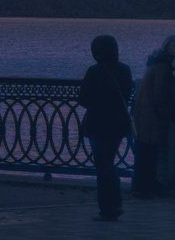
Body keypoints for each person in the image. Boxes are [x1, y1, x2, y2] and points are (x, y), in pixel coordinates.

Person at [77, 35, 134, 222]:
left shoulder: (94, 71)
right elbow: (127, 94)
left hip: (98, 124)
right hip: (117, 124)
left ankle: (108, 207)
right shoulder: (125, 70)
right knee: (108, 161)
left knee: (103, 165)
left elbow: (83, 98)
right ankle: (115, 204)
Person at [131, 35, 175, 198]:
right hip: (152, 114)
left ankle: (141, 185)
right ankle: (147, 186)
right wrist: (166, 113)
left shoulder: (157, 62)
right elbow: (160, 92)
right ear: (167, 47)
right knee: (149, 151)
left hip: (145, 112)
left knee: (144, 150)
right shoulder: (163, 66)